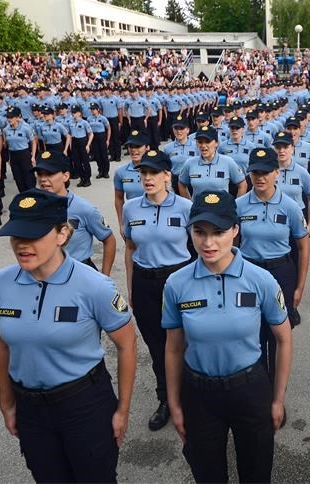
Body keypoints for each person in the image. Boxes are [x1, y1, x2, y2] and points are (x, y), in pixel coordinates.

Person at [0, 189, 137, 482]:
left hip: (83, 404)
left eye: (33, 236)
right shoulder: (0, 285)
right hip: (30, 406)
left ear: (62, 234)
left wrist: (123, 409)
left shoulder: (94, 286)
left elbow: (127, 344)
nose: (22, 245)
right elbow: (3, 345)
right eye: (16, 236)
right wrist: (7, 402)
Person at [162, 189, 293, 483]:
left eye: (219, 232)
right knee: (208, 475)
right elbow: (173, 348)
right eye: (200, 231)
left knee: (256, 473)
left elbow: (283, 339)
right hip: (200, 394)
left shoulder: (261, 280)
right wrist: (174, 403)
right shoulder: (176, 284)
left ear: (235, 230)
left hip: (250, 389)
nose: (208, 242)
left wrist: (277, 399)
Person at [123, 149, 193, 431]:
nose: (148, 178)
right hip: (144, 282)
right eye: (143, 173)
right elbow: (130, 247)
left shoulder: (185, 207)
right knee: (157, 345)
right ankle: (166, 399)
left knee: (185, 341)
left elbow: (197, 248)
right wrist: (131, 286)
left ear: (167, 176)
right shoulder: (131, 207)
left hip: (177, 280)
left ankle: (191, 397)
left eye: (154, 173)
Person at [236, 147, 309, 376]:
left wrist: (299, 287)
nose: (260, 177)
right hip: (249, 273)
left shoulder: (290, 207)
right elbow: (233, 244)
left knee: (278, 335)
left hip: (281, 272)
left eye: (266, 172)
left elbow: (303, 247)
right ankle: (259, 388)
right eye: (255, 172)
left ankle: (277, 390)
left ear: (276, 172)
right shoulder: (239, 205)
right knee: (252, 332)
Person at [34, 150, 116, 274]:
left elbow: (109, 240)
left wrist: (104, 278)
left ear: (65, 176)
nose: (43, 179)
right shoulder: (35, 208)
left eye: (50, 174)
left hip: (80, 273)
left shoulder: (84, 209)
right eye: (40, 174)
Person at [178, 125, 246, 199]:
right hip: (199, 210)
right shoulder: (189, 163)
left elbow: (242, 184)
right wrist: (189, 204)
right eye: (200, 142)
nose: (203, 145)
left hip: (222, 209)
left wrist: (236, 205)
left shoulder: (228, 162)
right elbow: (181, 184)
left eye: (207, 141)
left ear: (216, 143)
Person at [113, 130, 147, 233]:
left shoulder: (155, 170)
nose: (133, 150)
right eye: (131, 146)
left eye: (138, 146)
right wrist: (121, 223)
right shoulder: (121, 172)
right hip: (133, 219)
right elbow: (119, 199)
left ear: (147, 147)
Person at [3, 106, 37, 193]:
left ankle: (32, 195)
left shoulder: (26, 128)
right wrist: (9, 158)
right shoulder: (6, 129)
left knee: (28, 176)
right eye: (8, 117)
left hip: (24, 153)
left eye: (11, 117)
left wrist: (33, 156)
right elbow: (7, 144)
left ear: (18, 117)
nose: (9, 119)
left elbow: (33, 142)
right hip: (13, 154)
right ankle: (23, 195)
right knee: (18, 177)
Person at [67, 106, 94, 188]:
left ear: (79, 113)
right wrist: (71, 145)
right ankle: (82, 178)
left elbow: (91, 134)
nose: (73, 114)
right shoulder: (70, 123)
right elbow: (70, 134)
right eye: (72, 112)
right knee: (77, 162)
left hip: (82, 141)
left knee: (85, 161)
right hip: (75, 142)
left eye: (75, 112)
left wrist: (88, 145)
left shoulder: (84, 123)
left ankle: (87, 179)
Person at [88, 103, 111, 179]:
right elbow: (89, 131)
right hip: (94, 137)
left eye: (94, 109)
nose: (92, 111)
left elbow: (108, 128)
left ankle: (106, 172)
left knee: (104, 155)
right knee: (97, 155)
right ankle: (100, 171)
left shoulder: (103, 118)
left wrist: (107, 140)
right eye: (91, 109)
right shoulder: (89, 118)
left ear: (98, 109)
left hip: (101, 136)